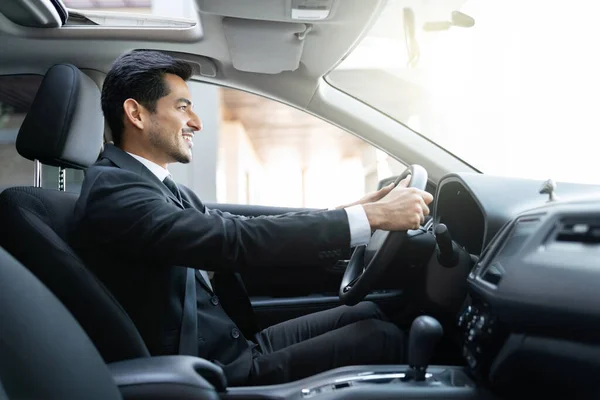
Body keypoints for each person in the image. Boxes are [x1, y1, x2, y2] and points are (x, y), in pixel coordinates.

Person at [70, 50, 434, 386]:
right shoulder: (114, 191)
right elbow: (229, 240)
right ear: (136, 114)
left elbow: (237, 227)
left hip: (236, 345)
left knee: (369, 312)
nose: (196, 122)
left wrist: (352, 210)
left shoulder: (152, 184)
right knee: (380, 338)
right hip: (209, 371)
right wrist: (365, 219)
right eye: (183, 108)